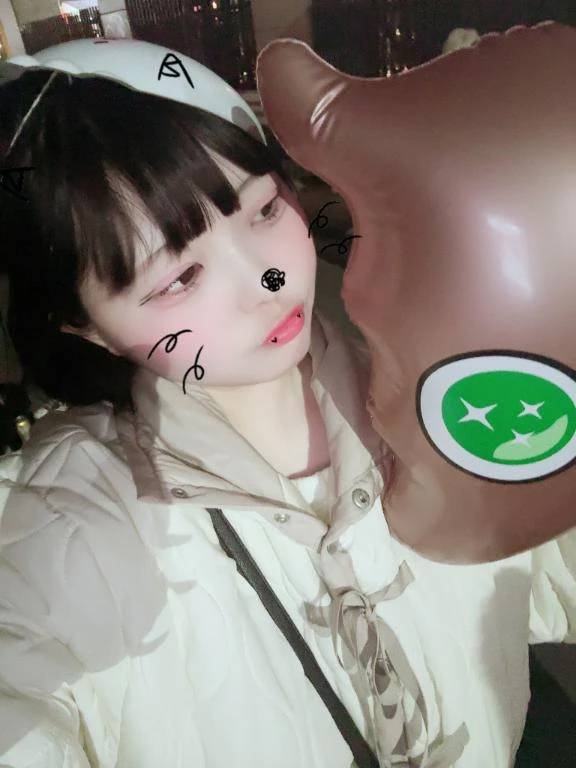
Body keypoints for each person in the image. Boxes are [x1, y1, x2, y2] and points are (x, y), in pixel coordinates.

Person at [0, 62, 574, 768]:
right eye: (180, 277)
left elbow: (553, 564)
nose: (266, 281)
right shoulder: (65, 525)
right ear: (83, 326)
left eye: (264, 210)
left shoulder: (442, 388)